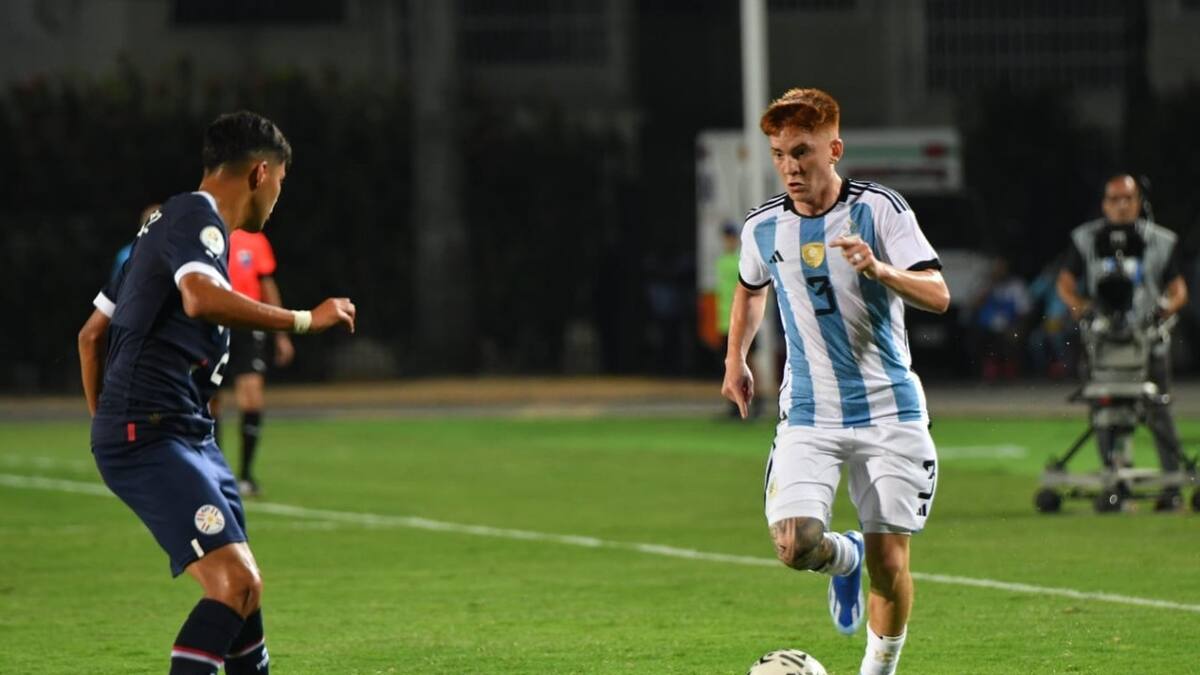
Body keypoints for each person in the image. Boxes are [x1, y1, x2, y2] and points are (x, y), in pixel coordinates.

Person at [77, 110, 356, 674]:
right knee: (234, 583)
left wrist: (106, 423)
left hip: (182, 434)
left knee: (247, 599)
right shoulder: (195, 219)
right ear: (259, 173)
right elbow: (201, 299)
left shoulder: (160, 230)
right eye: (281, 179)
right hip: (154, 433)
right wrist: (305, 319)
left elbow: (90, 336)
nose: (279, 193)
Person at [721, 88, 948, 675]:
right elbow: (750, 291)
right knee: (794, 543)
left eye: (802, 151)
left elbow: (939, 294)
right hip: (809, 414)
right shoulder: (763, 228)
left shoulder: (882, 211)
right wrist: (735, 360)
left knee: (891, 566)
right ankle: (838, 558)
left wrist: (878, 268)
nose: (790, 166)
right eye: (779, 154)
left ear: (834, 149)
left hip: (889, 411)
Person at [1056, 174, 1189, 511]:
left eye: (1127, 198)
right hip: (1101, 345)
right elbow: (1065, 284)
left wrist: (1161, 313)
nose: (1120, 205)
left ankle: (1171, 487)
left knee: (1158, 411)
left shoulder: (1161, 241)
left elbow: (1179, 291)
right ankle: (1116, 484)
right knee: (1105, 414)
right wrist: (1081, 309)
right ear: (1104, 204)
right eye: (1114, 199)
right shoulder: (1085, 239)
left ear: (1139, 202)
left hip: (1147, 344)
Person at [214, 228, 295, 497]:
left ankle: (246, 475)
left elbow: (267, 285)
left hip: (249, 325)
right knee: (210, 399)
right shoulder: (210, 232)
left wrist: (281, 334)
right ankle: (214, 474)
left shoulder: (255, 240)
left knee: (252, 397)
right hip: (214, 323)